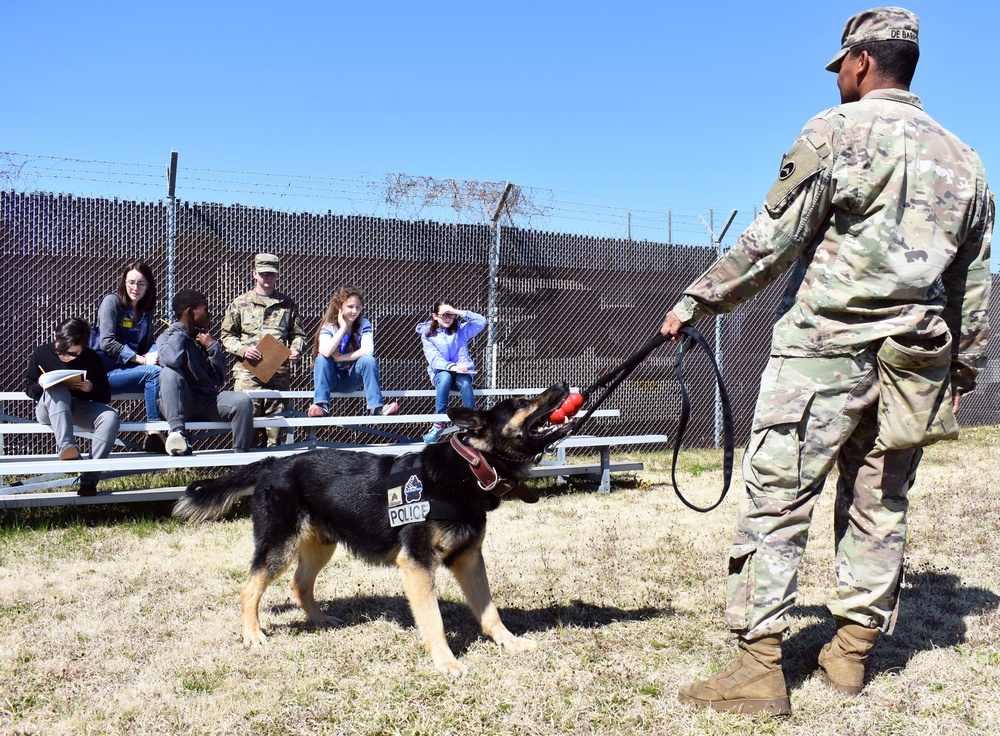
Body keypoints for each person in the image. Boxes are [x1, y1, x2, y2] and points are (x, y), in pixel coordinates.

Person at [660, 7, 993, 716]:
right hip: (915, 363)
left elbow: (773, 240)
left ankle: (757, 673)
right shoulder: (966, 159)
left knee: (778, 501)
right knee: (879, 507)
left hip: (823, 355)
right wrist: (961, 371)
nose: (839, 75)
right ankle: (848, 658)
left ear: (863, 61)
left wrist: (696, 300)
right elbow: (972, 280)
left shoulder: (835, 132)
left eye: (841, 63)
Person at [25, 317, 121, 496]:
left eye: (73, 354)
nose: (66, 357)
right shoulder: (42, 353)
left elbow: (104, 396)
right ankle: (68, 450)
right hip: (48, 407)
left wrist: (90, 388)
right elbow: (30, 390)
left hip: (77, 407)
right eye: (61, 350)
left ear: (83, 347)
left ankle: (89, 477)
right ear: (55, 336)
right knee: (59, 389)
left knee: (110, 417)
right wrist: (41, 384)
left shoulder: (92, 358)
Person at [221, 253, 307, 448]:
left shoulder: (287, 305)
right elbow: (226, 335)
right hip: (248, 375)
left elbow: (299, 335)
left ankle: (273, 478)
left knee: (276, 433)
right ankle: (245, 474)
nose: (267, 278)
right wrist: (242, 349)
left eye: (271, 274)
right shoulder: (240, 303)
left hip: (277, 375)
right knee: (246, 429)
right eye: (263, 274)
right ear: (254, 273)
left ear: (277, 276)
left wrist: (296, 350)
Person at [157, 289, 254, 456]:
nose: (209, 315)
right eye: (205, 310)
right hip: (182, 404)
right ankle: (178, 435)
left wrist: (212, 347)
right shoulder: (167, 338)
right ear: (189, 312)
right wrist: (180, 330)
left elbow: (219, 378)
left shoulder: (202, 339)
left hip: (207, 400)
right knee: (169, 373)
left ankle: (241, 464)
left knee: (242, 401)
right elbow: (172, 360)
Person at [91, 261, 165, 453]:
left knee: (168, 370)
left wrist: (160, 349)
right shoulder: (112, 302)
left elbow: (146, 346)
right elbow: (106, 342)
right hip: (104, 373)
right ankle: (155, 432)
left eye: (141, 283)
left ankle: (178, 431)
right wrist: (142, 360)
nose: (135, 288)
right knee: (154, 373)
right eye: (131, 282)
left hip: (128, 370)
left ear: (149, 286)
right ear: (123, 282)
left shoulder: (146, 311)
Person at [307, 284, 399, 418]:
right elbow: (325, 352)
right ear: (340, 307)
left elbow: (368, 350)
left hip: (349, 380)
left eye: (358, 307)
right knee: (321, 358)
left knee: (368, 360)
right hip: (330, 380)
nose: (354, 311)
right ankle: (321, 405)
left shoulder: (363, 323)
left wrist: (341, 357)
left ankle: (376, 407)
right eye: (350, 307)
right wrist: (343, 327)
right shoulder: (329, 326)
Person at [415, 301, 486, 442]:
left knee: (465, 383)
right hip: (442, 372)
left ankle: (470, 424)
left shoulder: (461, 330)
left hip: (462, 372)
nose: (448, 318)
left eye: (451, 315)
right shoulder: (428, 334)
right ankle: (438, 424)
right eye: (444, 315)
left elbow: (482, 321)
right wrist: (452, 367)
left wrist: (459, 312)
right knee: (445, 377)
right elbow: (434, 359)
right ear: (435, 316)